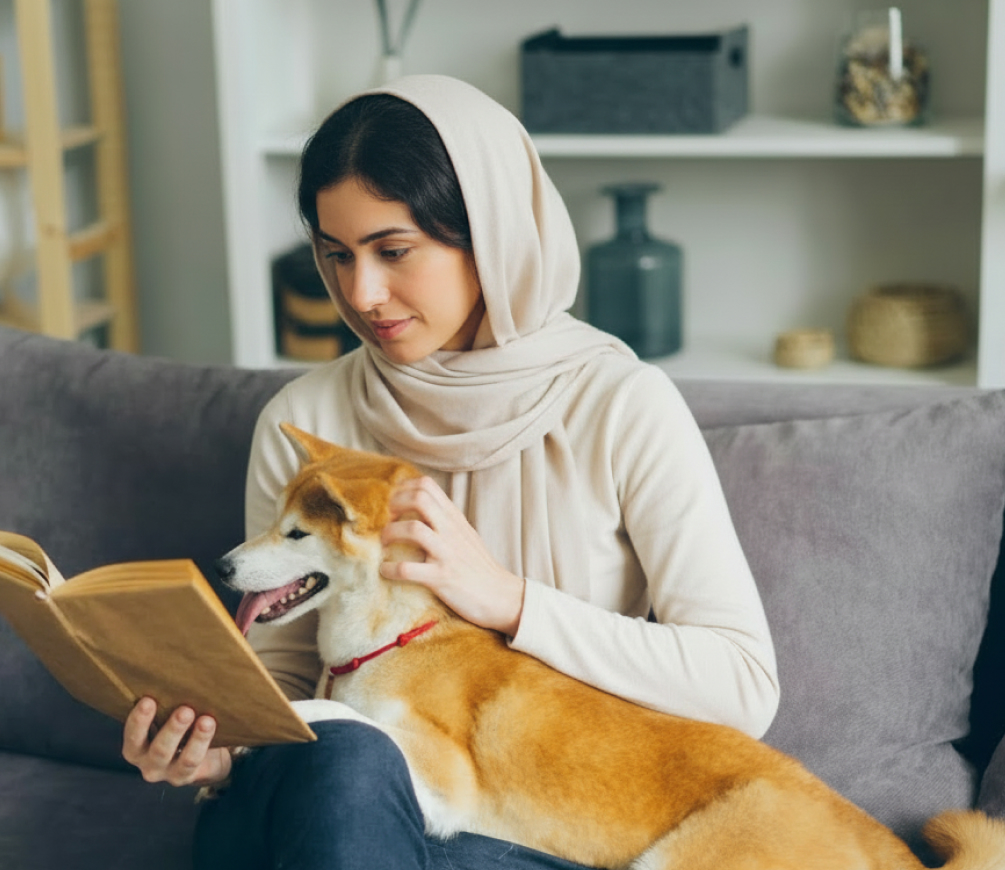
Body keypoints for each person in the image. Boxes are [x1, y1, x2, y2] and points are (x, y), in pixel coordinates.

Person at [121, 74, 780, 870]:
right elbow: (285, 674)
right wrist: (214, 751)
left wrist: (508, 600)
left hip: (527, 829)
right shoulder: (307, 421)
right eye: (336, 255)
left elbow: (741, 685)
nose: (361, 293)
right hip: (328, 804)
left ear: (490, 234)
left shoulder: (620, 405)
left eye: (393, 251)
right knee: (352, 752)